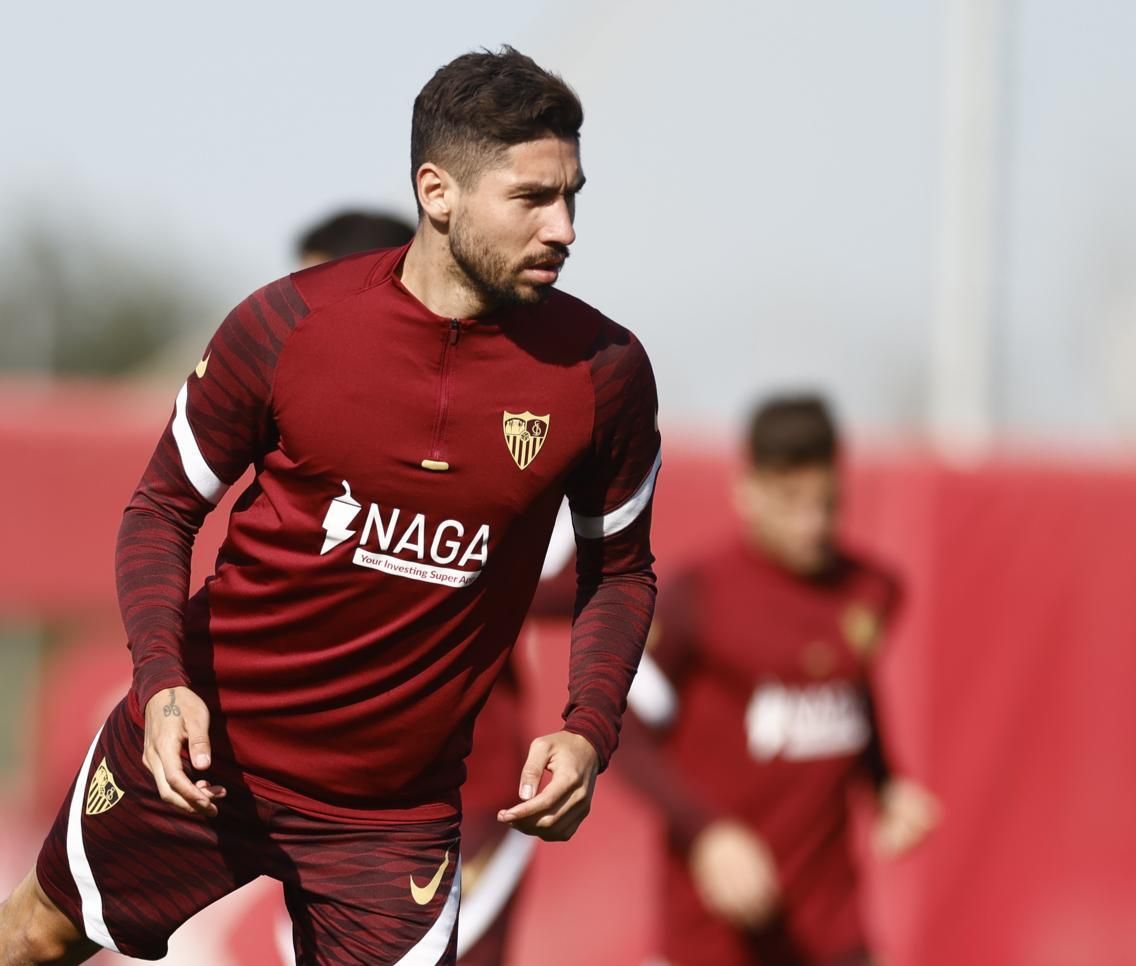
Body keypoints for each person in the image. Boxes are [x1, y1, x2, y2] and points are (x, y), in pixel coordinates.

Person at [0, 46, 660, 965]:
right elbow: (159, 509)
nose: (566, 229)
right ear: (437, 192)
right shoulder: (285, 326)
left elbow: (620, 570)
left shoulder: (604, 374)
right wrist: (161, 687)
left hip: (391, 817)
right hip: (206, 756)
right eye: (532, 199)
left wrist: (588, 727)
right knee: (33, 938)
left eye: (573, 195)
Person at [281, 209, 560, 965]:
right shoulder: (301, 430)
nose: (298, 312)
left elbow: (601, 574)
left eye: (315, 288)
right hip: (319, 800)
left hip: (454, 804)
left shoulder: (488, 436)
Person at [615, 394, 937, 966]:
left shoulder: (869, 591)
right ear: (749, 491)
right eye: (792, 503)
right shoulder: (699, 598)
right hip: (712, 935)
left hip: (831, 927)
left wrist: (885, 785)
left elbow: (849, 686)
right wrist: (708, 834)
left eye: (826, 503)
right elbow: (624, 733)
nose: (813, 523)